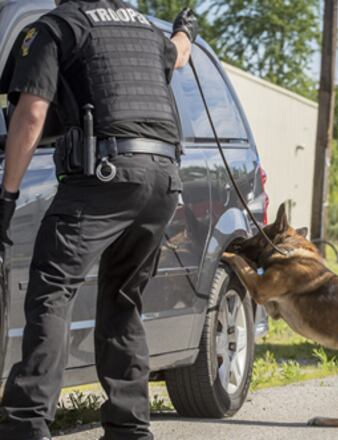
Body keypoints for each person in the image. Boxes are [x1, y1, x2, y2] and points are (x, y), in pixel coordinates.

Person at [0, 1, 198, 439]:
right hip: (164, 180)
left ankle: (26, 425)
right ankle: (129, 428)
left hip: (104, 176)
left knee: (52, 290)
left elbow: (31, 114)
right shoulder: (145, 29)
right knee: (123, 300)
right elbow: (179, 53)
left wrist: (8, 196)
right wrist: (187, 30)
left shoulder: (57, 27)